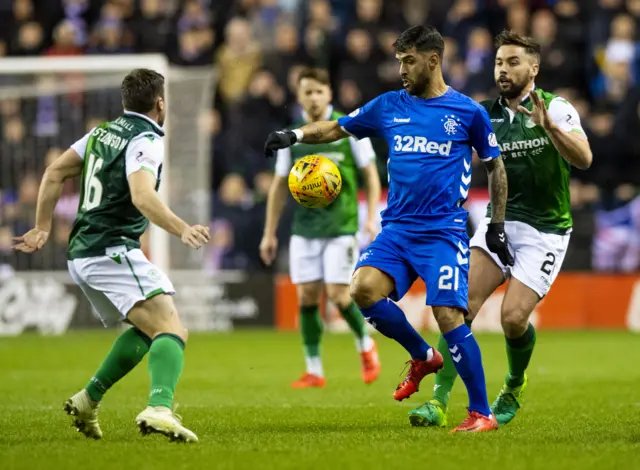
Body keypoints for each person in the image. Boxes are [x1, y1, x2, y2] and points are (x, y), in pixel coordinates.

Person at [264, 25, 512, 433]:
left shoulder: (468, 112)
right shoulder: (388, 106)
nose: (401, 69)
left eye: (408, 61)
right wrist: (293, 135)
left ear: (433, 61)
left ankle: (481, 412)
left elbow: (495, 167)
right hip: (397, 230)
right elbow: (334, 128)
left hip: (442, 232)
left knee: (448, 314)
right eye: (399, 61)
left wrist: (497, 225)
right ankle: (422, 355)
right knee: (361, 288)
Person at [13, 69, 210, 443]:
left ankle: (88, 399)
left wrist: (42, 227)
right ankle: (159, 408)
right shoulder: (146, 138)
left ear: (125, 102)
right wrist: (182, 227)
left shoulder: (102, 132)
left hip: (82, 252)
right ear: (160, 103)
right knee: (172, 329)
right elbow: (141, 195)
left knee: (145, 329)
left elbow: (54, 171)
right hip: (111, 249)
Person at [409, 30, 593, 428]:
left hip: (546, 230)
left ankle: (513, 384)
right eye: (498, 62)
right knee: (459, 308)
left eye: (513, 62)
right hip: (500, 223)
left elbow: (584, 159)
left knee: (512, 318)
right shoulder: (483, 114)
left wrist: (551, 129)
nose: (504, 69)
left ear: (534, 68)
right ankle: (438, 402)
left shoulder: (556, 108)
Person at [260, 67, 382, 388]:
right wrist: (269, 232)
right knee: (307, 297)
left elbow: (370, 173)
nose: (313, 98)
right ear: (299, 96)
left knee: (340, 295)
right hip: (305, 228)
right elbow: (278, 186)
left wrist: (371, 216)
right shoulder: (292, 135)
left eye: (319, 91)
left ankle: (366, 346)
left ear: (329, 94)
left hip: (342, 225)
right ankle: (314, 369)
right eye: (307, 92)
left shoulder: (347, 126)